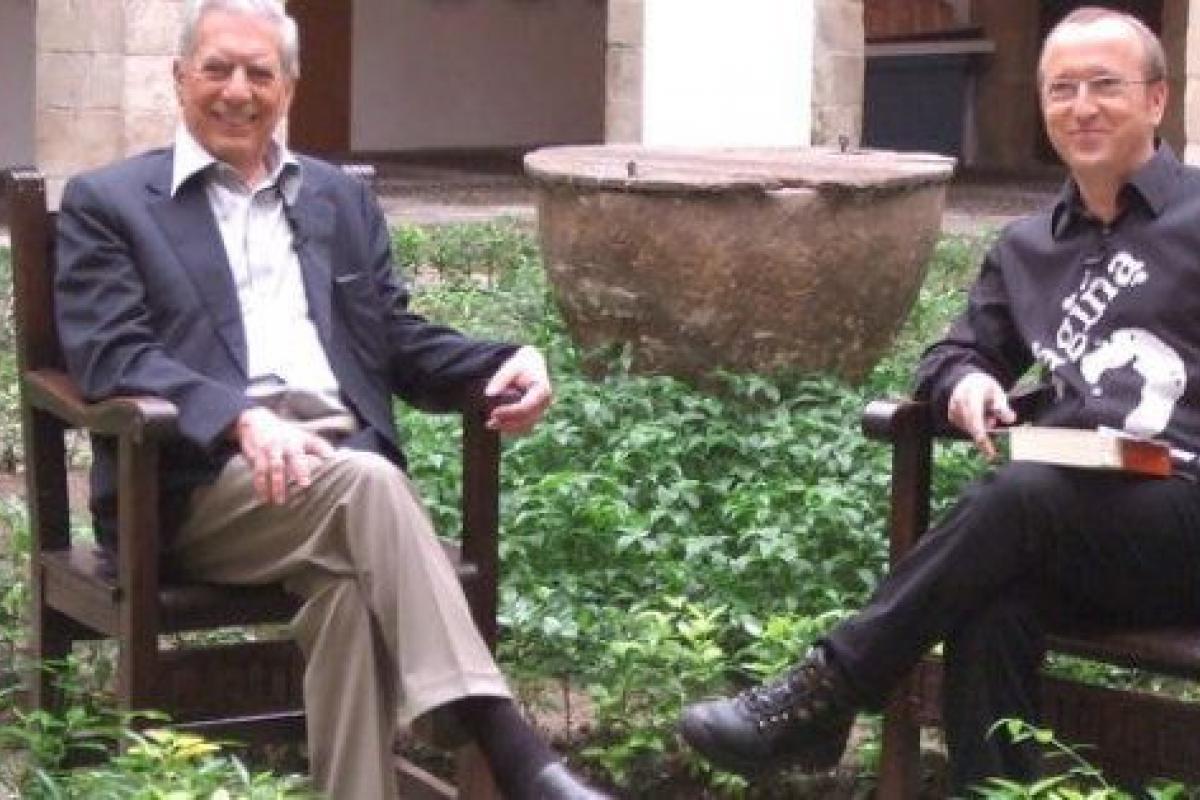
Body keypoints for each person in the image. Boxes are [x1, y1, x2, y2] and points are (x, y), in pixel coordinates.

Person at [52, 1, 611, 798]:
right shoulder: (112, 202)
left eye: (259, 73)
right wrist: (241, 419)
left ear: (289, 87)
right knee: (370, 483)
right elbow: (113, 354)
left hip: (336, 480)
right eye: (217, 69)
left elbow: (393, 336)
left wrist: (501, 360)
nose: (237, 90)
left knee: (347, 589)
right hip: (196, 484)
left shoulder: (335, 199)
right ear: (179, 78)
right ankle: (509, 747)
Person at [679, 6, 1200, 794]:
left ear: (1157, 99)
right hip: (1084, 526)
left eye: (1105, 86)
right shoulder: (1028, 248)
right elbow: (953, 356)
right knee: (991, 601)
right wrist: (968, 382)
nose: (1082, 107)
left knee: (1017, 498)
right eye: (1061, 90)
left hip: (1185, 516)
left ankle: (828, 691)